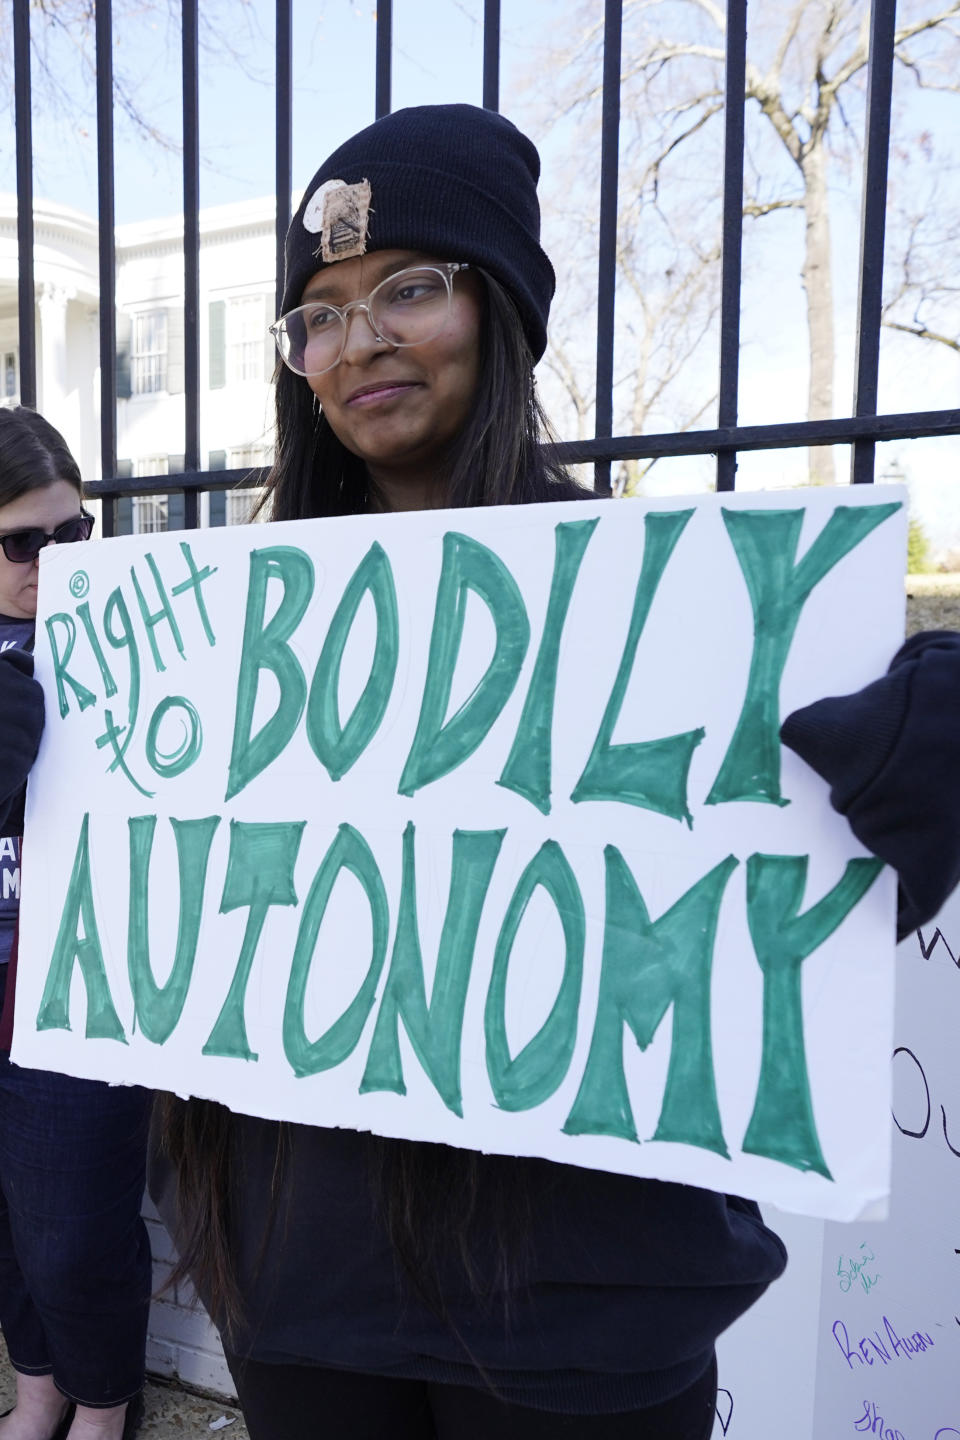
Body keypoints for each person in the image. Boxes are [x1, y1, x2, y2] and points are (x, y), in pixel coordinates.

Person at [149, 104, 960, 1440]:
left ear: (503, 305)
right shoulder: (227, 636)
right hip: (303, 1287)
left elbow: (799, 883)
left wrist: (925, 728)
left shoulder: (676, 619)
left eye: (409, 288)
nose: (359, 343)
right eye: (319, 313)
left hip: (578, 1295)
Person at [0, 407, 151, 1440]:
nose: (52, 563)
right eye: (22, 542)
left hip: (80, 988)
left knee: (72, 1231)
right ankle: (39, 1384)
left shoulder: (132, 644)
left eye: (73, 535)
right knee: (8, 1230)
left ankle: (103, 1404)